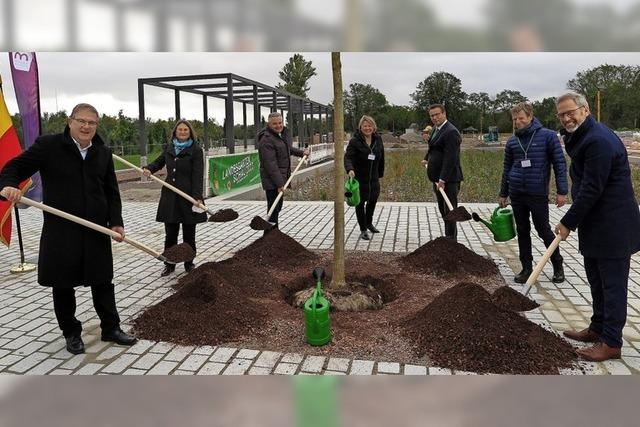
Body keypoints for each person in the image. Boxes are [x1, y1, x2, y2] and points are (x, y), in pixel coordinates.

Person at [0, 103, 137, 355]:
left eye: (92, 123)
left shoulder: (102, 152)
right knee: (62, 284)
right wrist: (10, 185)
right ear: (69, 121)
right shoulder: (49, 146)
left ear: (97, 125)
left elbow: (111, 191)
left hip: (96, 228)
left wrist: (116, 222)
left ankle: (111, 327)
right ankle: (71, 333)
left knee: (103, 280)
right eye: (81, 121)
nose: (86, 126)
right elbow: (14, 167)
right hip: (61, 229)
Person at [554, 91, 640, 362]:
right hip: (596, 222)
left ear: (585, 110)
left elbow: (592, 188)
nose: (566, 118)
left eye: (570, 112)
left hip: (613, 224)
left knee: (612, 285)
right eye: (561, 114)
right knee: (595, 280)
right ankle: (598, 328)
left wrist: (568, 221)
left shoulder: (598, 141)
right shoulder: (582, 136)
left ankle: (611, 342)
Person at [499, 102, 568, 284]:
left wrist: (562, 191)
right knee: (522, 230)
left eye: (521, 118)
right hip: (517, 193)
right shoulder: (513, 141)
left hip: (537, 192)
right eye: (515, 119)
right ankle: (526, 268)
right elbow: (506, 168)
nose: (518, 122)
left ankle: (557, 265)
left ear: (530, 117)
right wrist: (503, 193)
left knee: (543, 229)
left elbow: (559, 164)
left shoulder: (548, 136)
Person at [143, 119, 206, 277]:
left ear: (190, 132)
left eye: (185, 130)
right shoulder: (169, 148)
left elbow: (198, 175)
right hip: (170, 197)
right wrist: (149, 168)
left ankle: (189, 262)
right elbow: (159, 162)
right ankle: (169, 263)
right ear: (175, 132)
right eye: (180, 130)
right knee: (170, 232)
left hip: (188, 197)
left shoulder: (196, 150)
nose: (183, 132)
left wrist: (197, 197)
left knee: (188, 232)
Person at [257, 112, 308, 230]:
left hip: (279, 178)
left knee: (277, 207)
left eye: (280, 123)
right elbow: (270, 165)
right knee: (273, 208)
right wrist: (279, 184)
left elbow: (287, 148)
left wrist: (301, 153)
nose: (278, 125)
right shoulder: (266, 140)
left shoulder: (278, 136)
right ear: (269, 124)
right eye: (275, 124)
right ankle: (271, 235)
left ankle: (272, 234)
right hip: (272, 180)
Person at [420, 104, 463, 241]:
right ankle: (448, 238)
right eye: (432, 115)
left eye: (437, 114)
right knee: (443, 210)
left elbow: (451, 158)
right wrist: (427, 159)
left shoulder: (451, 132)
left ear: (444, 114)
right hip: (437, 178)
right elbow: (433, 147)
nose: (435, 117)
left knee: (450, 211)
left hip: (448, 180)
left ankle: (452, 241)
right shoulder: (435, 129)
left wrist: (443, 179)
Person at [344, 115, 385, 240]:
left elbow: (382, 156)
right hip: (360, 178)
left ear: (373, 127)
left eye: (369, 125)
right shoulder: (355, 141)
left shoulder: (378, 139)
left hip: (373, 178)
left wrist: (380, 173)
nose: (367, 128)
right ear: (360, 127)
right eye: (365, 126)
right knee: (360, 203)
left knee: (372, 201)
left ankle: (369, 223)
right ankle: (363, 229)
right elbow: (348, 157)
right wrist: (350, 169)